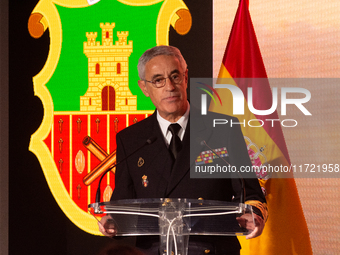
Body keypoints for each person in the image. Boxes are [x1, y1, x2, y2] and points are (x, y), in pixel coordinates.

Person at [98, 45, 268, 255]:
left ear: (186, 77)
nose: (169, 86)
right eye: (158, 80)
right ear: (144, 88)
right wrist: (112, 221)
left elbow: (251, 194)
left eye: (175, 76)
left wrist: (253, 215)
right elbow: (122, 204)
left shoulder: (223, 129)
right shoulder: (131, 140)